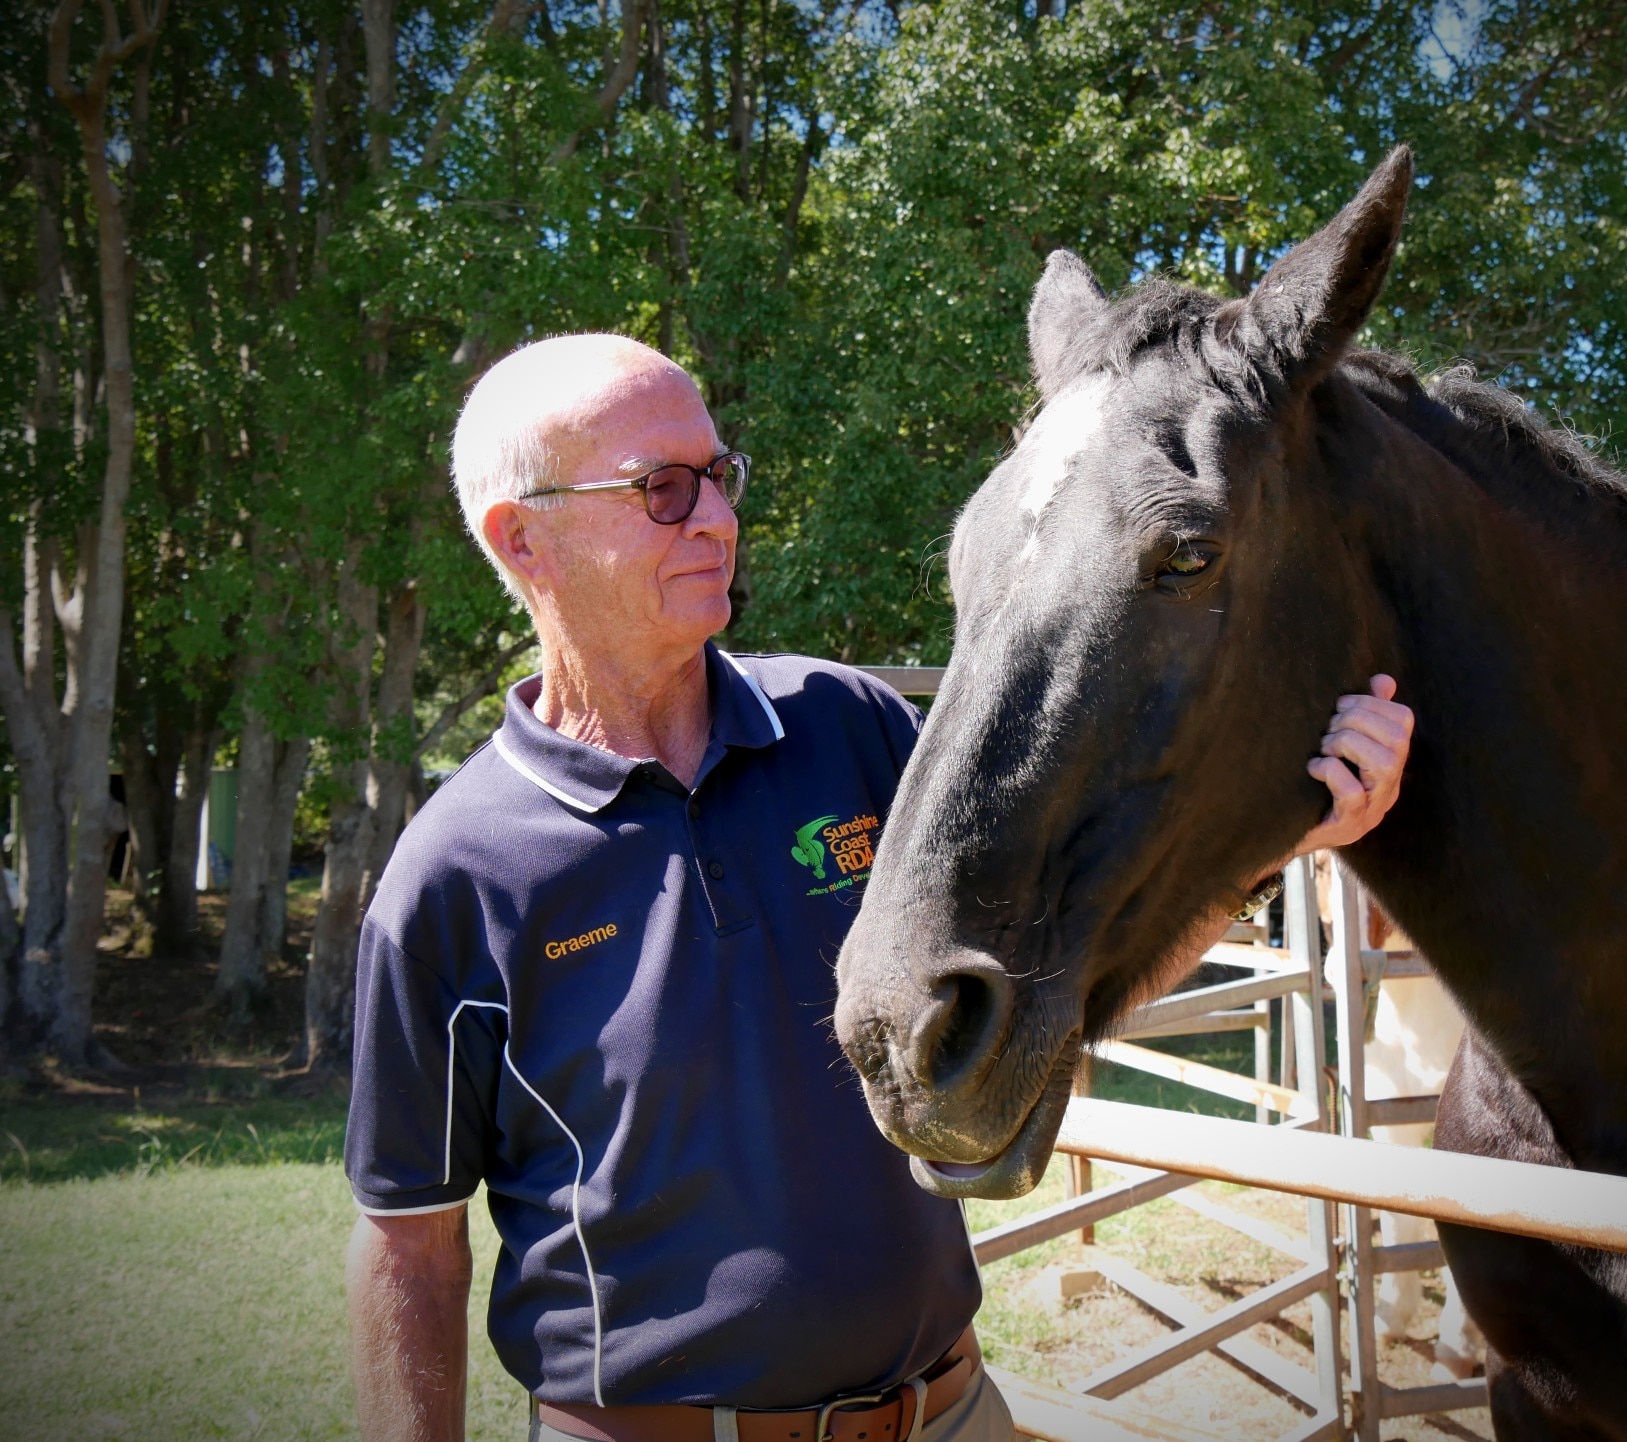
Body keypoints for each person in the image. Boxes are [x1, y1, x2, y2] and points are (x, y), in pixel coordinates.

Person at [343, 334, 1415, 1442]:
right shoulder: (456, 875)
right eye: (662, 489)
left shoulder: (849, 728)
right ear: (524, 538)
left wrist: (1281, 841)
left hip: (949, 1416)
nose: (715, 516)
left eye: (720, 475)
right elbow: (407, 1240)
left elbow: (1058, 968)